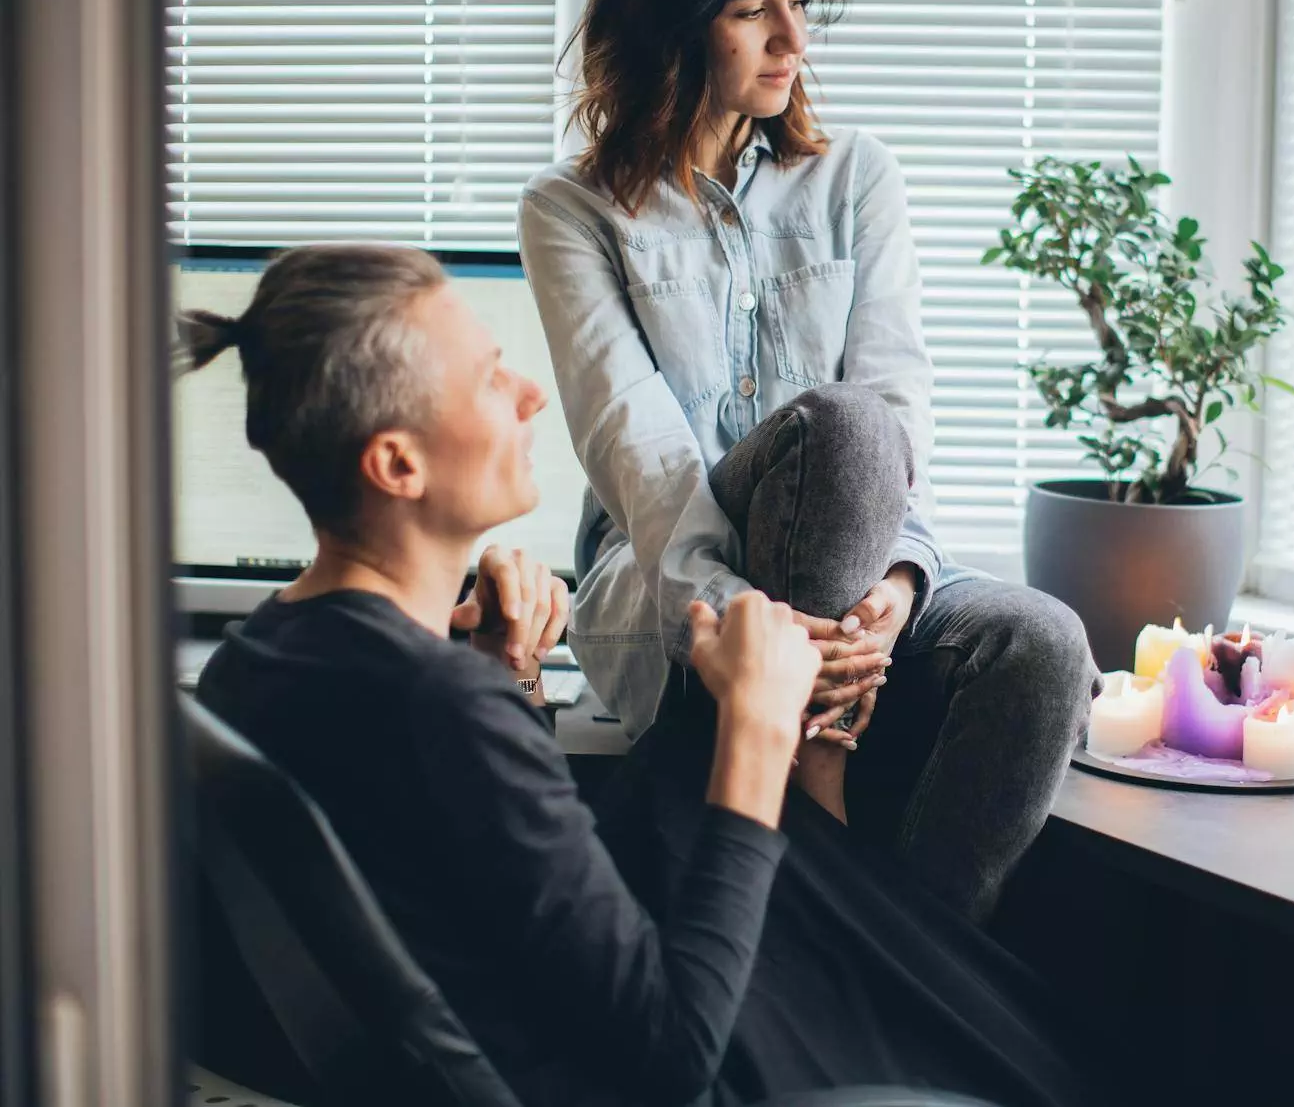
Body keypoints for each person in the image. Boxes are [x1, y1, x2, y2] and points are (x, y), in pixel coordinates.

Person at [184, 244, 1102, 1107]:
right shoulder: (434, 704)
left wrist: (507, 674)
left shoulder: (255, 664)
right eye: (487, 377)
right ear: (397, 462)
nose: (530, 394)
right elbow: (667, 1056)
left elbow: (474, 885)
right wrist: (754, 729)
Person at [519, 0, 1096, 923]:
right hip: (674, 593)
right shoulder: (572, 212)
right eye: (753, 12)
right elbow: (643, 458)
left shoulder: (856, 174)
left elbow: (899, 406)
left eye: (797, 4)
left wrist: (895, 590)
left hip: (863, 571)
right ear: (668, 25)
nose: (794, 40)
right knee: (835, 428)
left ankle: (906, 962)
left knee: (1043, 643)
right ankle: (810, 779)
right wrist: (761, 635)